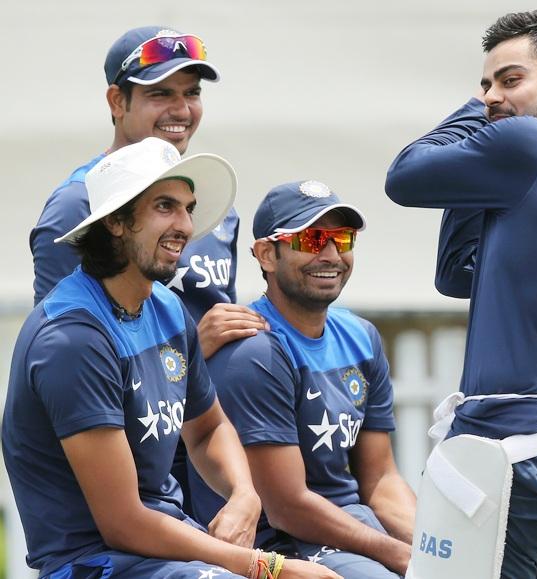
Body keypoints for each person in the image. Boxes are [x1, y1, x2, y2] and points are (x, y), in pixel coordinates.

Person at [2, 137, 339, 579]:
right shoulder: (72, 339)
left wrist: (243, 494)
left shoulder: (165, 306)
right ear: (117, 222)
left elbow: (207, 429)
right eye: (165, 207)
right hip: (93, 563)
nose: (185, 225)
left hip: (168, 551)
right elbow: (123, 523)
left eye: (188, 208)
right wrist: (268, 567)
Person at [385, 10, 537, 577]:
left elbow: (403, 176)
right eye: (484, 84)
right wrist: (474, 176)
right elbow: (455, 275)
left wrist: (476, 116)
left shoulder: (529, 145)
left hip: (506, 457)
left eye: (509, 80)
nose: (493, 96)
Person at [29, 25, 268, 512]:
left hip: (205, 444)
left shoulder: (208, 199)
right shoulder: (79, 204)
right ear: (117, 102)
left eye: (192, 93)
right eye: (160, 94)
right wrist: (189, 351)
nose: (181, 110)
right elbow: (64, 356)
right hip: (125, 457)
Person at [189, 180, 416, 578]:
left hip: (351, 528)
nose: (330, 254)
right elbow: (286, 506)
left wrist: (429, 547)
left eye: (341, 239)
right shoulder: (254, 351)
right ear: (266, 255)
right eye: (311, 240)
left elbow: (381, 477)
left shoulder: (361, 337)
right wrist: (398, 555)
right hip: (278, 544)